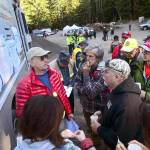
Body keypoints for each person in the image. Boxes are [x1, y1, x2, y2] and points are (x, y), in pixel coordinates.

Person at [91, 59, 143, 150]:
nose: (102, 74)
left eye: (106, 72)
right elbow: (113, 105)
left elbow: (122, 142)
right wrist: (103, 113)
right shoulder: (118, 88)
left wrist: (98, 129)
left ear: (117, 77)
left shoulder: (128, 105)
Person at [14, 95, 96, 150]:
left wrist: (57, 136)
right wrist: (85, 141)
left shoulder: (20, 144)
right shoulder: (65, 147)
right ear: (51, 125)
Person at [16, 47, 73, 119]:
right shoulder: (24, 85)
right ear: (31, 62)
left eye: (46, 57)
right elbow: (22, 113)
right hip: (44, 126)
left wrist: (69, 112)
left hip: (61, 117)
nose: (46, 60)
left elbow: (62, 94)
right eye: (42, 58)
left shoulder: (54, 74)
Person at [75, 45, 109, 134]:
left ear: (98, 59)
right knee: (89, 126)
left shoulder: (104, 71)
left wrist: (86, 74)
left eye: (90, 56)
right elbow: (77, 82)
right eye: (87, 55)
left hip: (98, 109)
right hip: (86, 106)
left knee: (98, 131)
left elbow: (91, 93)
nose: (87, 58)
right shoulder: (83, 65)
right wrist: (84, 90)